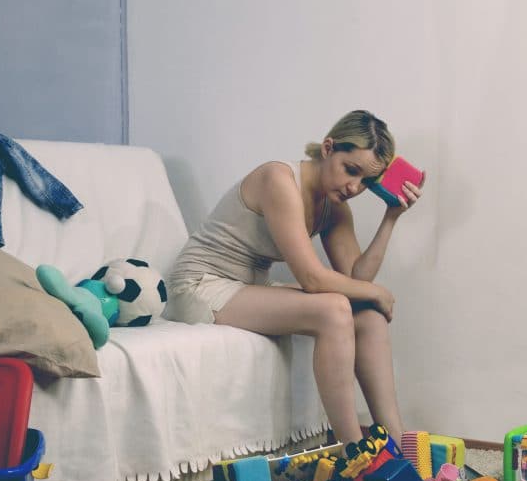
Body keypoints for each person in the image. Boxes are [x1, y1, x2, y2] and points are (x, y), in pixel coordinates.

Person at [165, 110, 424, 448]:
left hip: (247, 287)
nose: (354, 187)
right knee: (334, 309)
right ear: (329, 148)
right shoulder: (279, 179)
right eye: (351, 171)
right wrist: (374, 291)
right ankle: (355, 454)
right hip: (200, 285)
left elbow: (355, 276)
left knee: (369, 316)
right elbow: (313, 278)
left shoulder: (333, 205)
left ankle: (399, 444)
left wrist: (392, 217)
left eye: (366, 182)